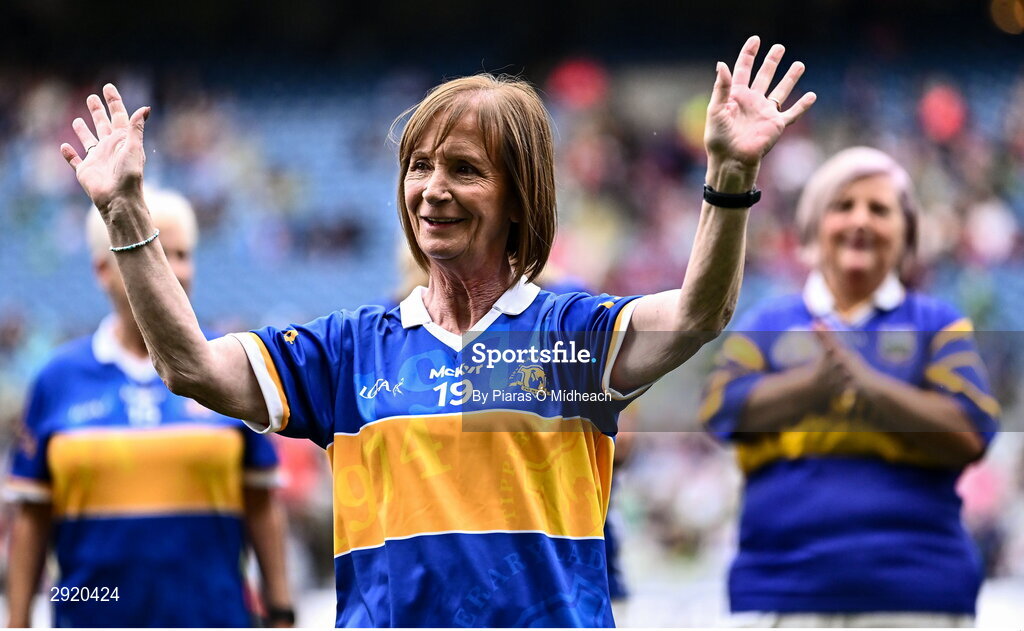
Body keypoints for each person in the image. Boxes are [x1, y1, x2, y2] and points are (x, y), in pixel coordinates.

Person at [58, 36, 814, 627]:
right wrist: (126, 210)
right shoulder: (348, 348)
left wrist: (730, 175)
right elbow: (190, 364)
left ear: (521, 197)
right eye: (419, 166)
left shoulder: (570, 334)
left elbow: (699, 312)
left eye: (464, 168)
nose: (432, 189)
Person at [699, 146, 1000, 627]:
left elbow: (970, 433)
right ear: (812, 228)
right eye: (843, 206)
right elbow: (719, 411)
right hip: (784, 587)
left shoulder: (939, 324)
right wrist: (814, 386)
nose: (860, 220)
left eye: (879, 209)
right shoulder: (766, 322)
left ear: (907, 236)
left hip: (917, 590)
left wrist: (870, 387)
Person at [4, 188, 295, 628]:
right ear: (103, 269)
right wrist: (19, 620)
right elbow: (32, 517)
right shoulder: (57, 379)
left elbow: (260, 503)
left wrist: (281, 612)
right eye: (152, 251)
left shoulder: (232, 367)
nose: (172, 270)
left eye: (181, 254)